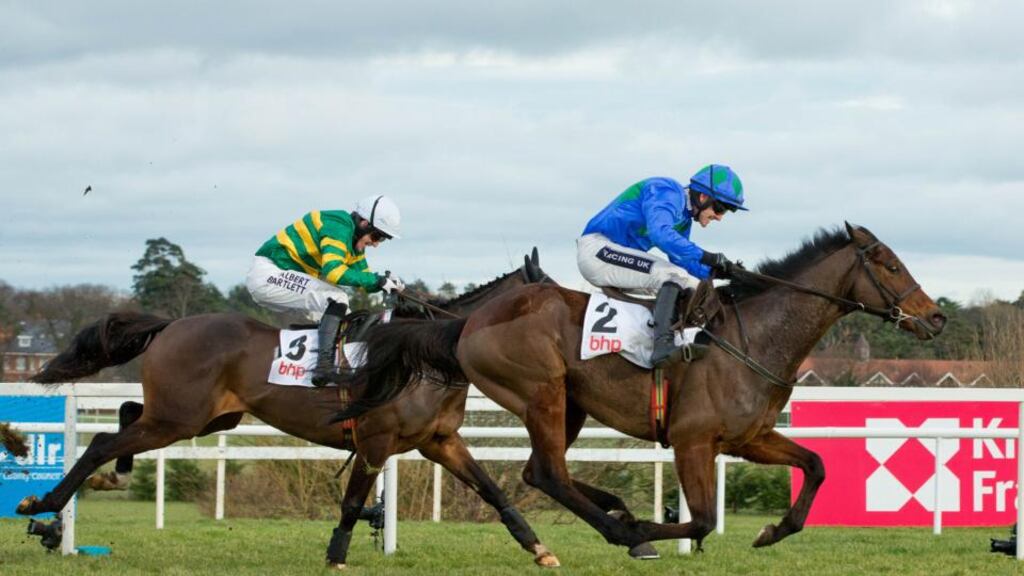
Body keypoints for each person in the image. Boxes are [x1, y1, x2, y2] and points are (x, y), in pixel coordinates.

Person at [577, 164, 746, 367]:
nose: (719, 216)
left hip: (614, 258)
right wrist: (708, 256)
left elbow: (682, 259)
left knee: (690, 283)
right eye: (720, 208)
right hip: (598, 250)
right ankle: (663, 346)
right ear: (703, 197)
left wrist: (718, 272)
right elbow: (660, 233)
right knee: (674, 276)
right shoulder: (667, 190)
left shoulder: (683, 219)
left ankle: (670, 339)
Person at [246, 195, 405, 385]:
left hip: (283, 277)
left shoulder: (354, 242)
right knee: (336, 297)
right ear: (363, 223)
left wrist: (388, 282)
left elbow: (365, 277)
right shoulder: (338, 226)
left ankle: (305, 373)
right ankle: (322, 367)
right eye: (377, 236)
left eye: (383, 240)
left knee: (345, 317)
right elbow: (334, 273)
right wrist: (377, 280)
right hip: (269, 274)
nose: (376, 244)